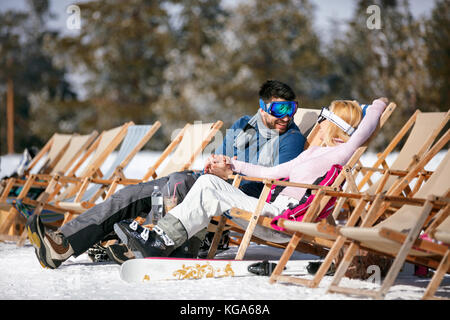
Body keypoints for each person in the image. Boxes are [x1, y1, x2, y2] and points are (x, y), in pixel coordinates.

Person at [26, 80, 307, 269]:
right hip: (209, 179)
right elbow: (222, 156)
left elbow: (272, 178)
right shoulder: (244, 124)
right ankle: (63, 244)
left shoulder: (290, 138)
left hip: (236, 194)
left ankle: (155, 246)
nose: (287, 116)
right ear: (262, 108)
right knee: (132, 193)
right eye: (279, 109)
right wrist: (217, 165)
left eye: (291, 109)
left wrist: (229, 172)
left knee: (176, 183)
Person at [112, 97, 389, 258]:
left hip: (283, 219)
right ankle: (162, 237)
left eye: (325, 118)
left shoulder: (342, 152)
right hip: (272, 209)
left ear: (332, 124)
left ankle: (162, 240)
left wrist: (377, 104)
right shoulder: (313, 153)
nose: (319, 122)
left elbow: (369, 123)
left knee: (209, 187)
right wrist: (231, 163)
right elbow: (269, 173)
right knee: (209, 182)